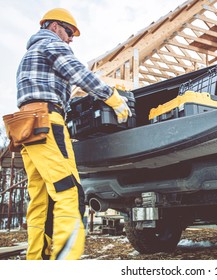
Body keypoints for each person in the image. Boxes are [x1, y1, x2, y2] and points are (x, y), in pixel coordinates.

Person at [16, 8, 132, 260]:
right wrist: (112, 97)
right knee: (69, 192)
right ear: (55, 26)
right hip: (46, 122)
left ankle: (37, 261)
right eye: (69, 32)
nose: (70, 39)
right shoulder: (51, 44)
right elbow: (78, 73)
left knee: (41, 201)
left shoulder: (31, 52)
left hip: (26, 127)